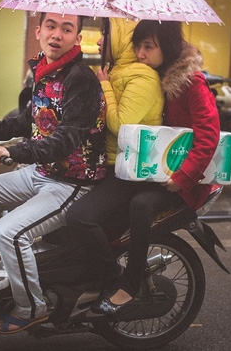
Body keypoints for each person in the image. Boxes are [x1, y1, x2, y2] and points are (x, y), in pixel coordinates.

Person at [0, 12, 107, 334]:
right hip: (42, 172)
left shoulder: (80, 79)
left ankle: (32, 306)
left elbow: (64, 140)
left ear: (77, 38)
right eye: (52, 26)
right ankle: (16, 267)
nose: (57, 34)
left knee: (8, 232)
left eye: (67, 29)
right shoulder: (44, 72)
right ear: (39, 30)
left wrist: (12, 152)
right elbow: (25, 122)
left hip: (73, 182)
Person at [91, 19, 220, 315]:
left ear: (169, 47)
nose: (141, 54)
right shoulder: (153, 76)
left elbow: (209, 133)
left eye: (148, 47)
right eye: (138, 46)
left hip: (184, 180)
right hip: (156, 170)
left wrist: (183, 177)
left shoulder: (190, 82)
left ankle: (130, 285)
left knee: (140, 205)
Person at [64, 17, 164, 285]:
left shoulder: (144, 78)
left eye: (104, 34)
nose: (97, 41)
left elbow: (122, 126)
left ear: (119, 39)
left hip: (130, 172)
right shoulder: (118, 71)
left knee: (79, 218)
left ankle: (117, 280)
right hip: (109, 163)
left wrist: (104, 85)